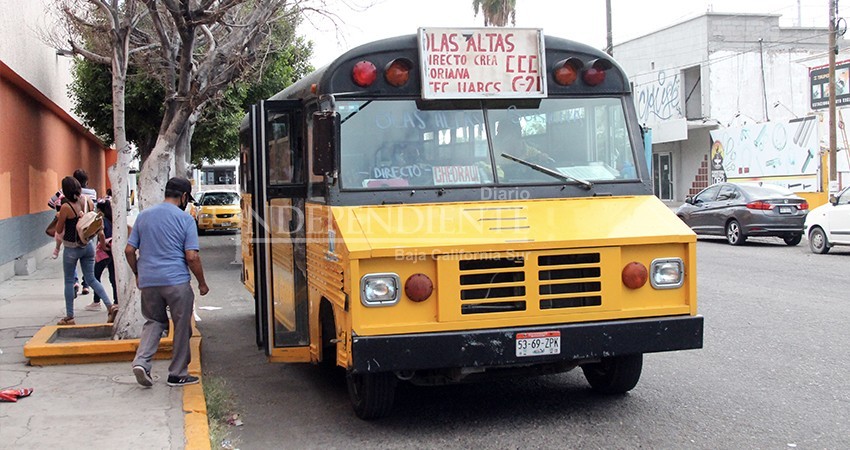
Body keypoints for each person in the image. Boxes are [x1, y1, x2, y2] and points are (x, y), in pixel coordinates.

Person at [127, 177, 209, 388]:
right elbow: (191, 256)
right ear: (183, 197)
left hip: (148, 281)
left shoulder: (143, 216)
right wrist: (202, 283)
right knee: (182, 326)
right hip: (176, 282)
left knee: (154, 322)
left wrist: (137, 272)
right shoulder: (186, 220)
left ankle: (142, 362)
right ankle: (177, 374)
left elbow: (129, 250)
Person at [53, 176, 117, 326]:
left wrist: (58, 217)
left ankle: (70, 317)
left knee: (69, 281)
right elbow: (94, 221)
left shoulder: (66, 207)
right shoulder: (87, 201)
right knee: (91, 279)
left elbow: (59, 229)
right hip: (88, 245)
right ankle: (109, 306)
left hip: (71, 248)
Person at [86, 200, 117, 311]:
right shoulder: (113, 220)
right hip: (112, 250)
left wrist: (103, 246)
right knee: (113, 277)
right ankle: (117, 301)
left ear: (99, 210)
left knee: (95, 276)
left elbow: (101, 233)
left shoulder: (101, 220)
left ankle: (96, 301)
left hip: (104, 252)